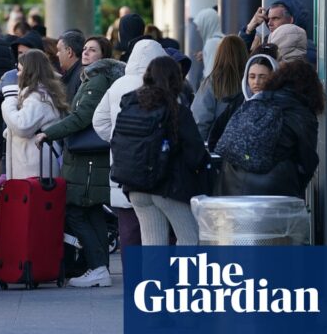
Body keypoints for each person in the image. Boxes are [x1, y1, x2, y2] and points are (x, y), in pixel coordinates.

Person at [35, 38, 125, 288]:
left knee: (76, 210)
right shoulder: (96, 79)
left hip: (86, 161)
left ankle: (97, 267)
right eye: (85, 48)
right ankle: (101, 268)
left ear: (103, 56)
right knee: (92, 211)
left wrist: (49, 133)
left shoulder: (96, 81)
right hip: (91, 160)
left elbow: (81, 117)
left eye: (92, 50)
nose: (85, 53)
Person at [120, 56, 209, 245]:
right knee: (191, 240)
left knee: (153, 246)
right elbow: (196, 155)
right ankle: (185, 276)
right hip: (169, 187)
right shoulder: (177, 111)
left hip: (135, 186)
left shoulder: (130, 105)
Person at [93, 39, 168, 260]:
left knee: (128, 230)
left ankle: (132, 282)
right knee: (156, 231)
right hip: (153, 169)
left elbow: (99, 122)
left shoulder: (118, 85)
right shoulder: (160, 85)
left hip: (122, 165)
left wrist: (119, 141)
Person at [216, 60, 322, 197]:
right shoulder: (301, 112)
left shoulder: (255, 101)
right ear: (311, 88)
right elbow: (308, 159)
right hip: (274, 188)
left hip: (230, 182)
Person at [2, 49, 67, 179]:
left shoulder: (37, 97)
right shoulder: (42, 94)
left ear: (29, 72)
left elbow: (22, 126)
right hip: (35, 163)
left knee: (33, 198)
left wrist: (8, 101)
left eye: (20, 70)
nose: (18, 75)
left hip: (33, 166)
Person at [207, 53, 279, 153]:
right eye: (252, 77)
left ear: (273, 77)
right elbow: (217, 133)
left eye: (262, 77)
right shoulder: (238, 102)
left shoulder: (280, 104)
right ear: (246, 78)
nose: (256, 82)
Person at [190, 35, 248, 142]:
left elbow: (200, 119)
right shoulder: (251, 81)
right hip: (244, 145)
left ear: (220, 54)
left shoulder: (213, 82)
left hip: (217, 147)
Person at [238, 0, 315, 64]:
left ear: (291, 19)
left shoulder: (307, 50)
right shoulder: (266, 45)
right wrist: (249, 29)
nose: (269, 23)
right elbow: (237, 60)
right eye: (268, 19)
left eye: (275, 18)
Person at [193, 8, 224, 79]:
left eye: (200, 25)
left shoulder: (211, 43)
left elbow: (209, 75)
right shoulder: (223, 39)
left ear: (207, 24)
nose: (198, 29)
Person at [57, 31, 85, 103]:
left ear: (69, 52)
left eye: (59, 50)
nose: (57, 54)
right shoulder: (76, 73)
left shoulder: (81, 76)